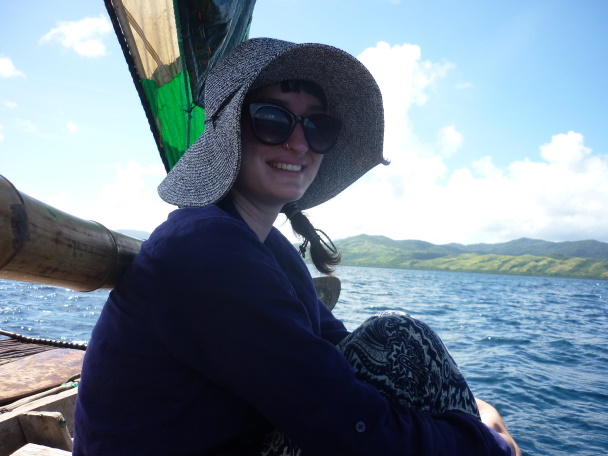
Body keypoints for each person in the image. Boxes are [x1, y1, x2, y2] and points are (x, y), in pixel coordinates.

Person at [73, 38, 521, 456]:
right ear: (231, 132)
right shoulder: (206, 247)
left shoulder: (269, 250)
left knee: (403, 343)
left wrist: (474, 412)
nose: (299, 142)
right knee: (398, 335)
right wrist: (486, 444)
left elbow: (336, 352)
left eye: (318, 126)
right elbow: (342, 420)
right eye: (273, 118)